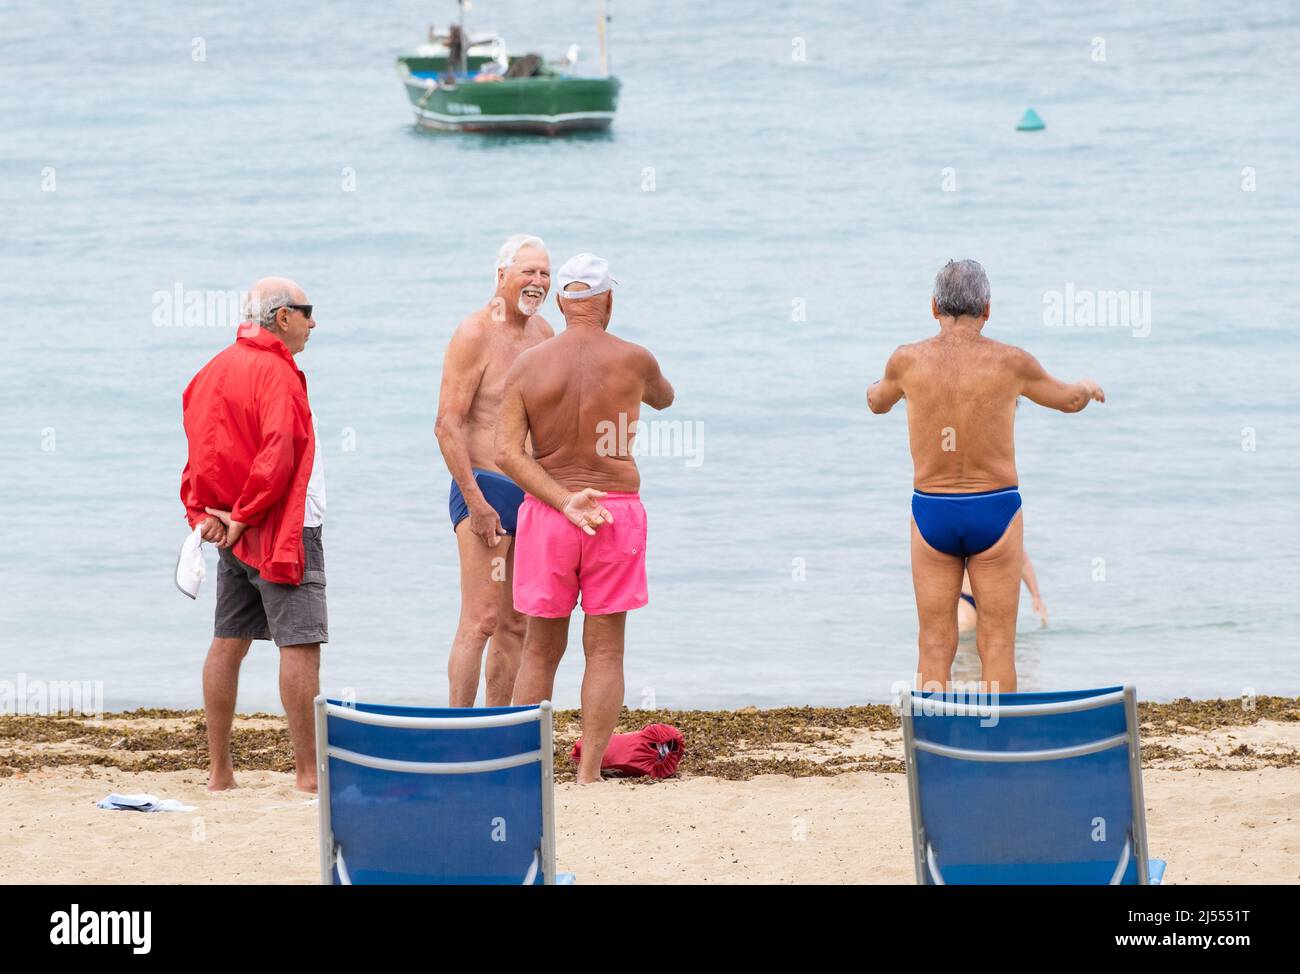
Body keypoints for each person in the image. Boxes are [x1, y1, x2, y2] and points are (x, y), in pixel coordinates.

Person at [867, 259, 1103, 692]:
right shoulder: (1011, 362)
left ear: (935, 306)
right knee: (997, 645)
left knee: (934, 642)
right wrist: (1086, 386)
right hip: (994, 509)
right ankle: (999, 753)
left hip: (933, 510)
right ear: (987, 310)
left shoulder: (907, 360)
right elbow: (1069, 400)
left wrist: (883, 387)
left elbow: (876, 402)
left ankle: (934, 750)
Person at [496, 254, 674, 783]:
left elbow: (507, 454)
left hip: (551, 515)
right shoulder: (635, 359)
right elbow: (664, 398)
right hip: (614, 511)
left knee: (539, 649)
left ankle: (525, 768)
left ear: (560, 301)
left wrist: (560, 497)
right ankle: (589, 772)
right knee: (605, 649)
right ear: (609, 302)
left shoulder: (527, 365)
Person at [180, 278, 325, 792]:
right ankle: (308, 775)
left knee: (229, 640)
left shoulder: (210, 371)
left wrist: (207, 514)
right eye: (308, 312)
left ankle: (220, 772)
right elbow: (279, 452)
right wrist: (243, 516)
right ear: (282, 317)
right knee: (300, 643)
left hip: (234, 531)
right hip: (280, 525)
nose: (314, 322)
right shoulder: (277, 371)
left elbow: (199, 454)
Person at [434, 235, 555, 706]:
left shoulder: (544, 334)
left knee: (516, 623)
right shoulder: (475, 333)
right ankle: (458, 729)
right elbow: (447, 425)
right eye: (529, 271)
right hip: (483, 487)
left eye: (545, 273)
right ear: (501, 275)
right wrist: (476, 502)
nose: (538, 281)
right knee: (481, 619)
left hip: (530, 494)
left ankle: (495, 727)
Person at [957, 549, 1048, 636]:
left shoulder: (1007, 534)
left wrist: (1036, 597)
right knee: (965, 639)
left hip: (996, 602)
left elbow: (1023, 562)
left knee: (998, 646)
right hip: (966, 600)